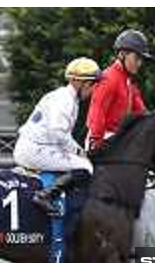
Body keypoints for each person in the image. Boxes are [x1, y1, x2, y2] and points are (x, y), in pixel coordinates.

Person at [13, 57, 102, 215]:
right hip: (34, 150)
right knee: (85, 166)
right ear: (83, 83)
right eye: (93, 85)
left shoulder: (66, 98)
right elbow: (58, 134)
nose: (93, 91)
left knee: (81, 161)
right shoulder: (65, 100)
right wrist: (80, 152)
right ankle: (45, 196)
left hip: (37, 147)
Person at [85, 29, 151, 151]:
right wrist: (96, 140)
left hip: (119, 137)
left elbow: (142, 113)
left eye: (141, 59)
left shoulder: (128, 81)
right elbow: (98, 111)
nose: (139, 63)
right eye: (137, 58)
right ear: (122, 54)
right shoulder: (108, 78)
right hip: (102, 138)